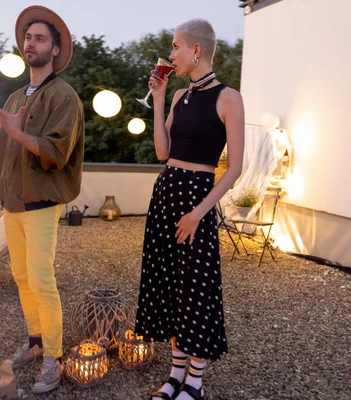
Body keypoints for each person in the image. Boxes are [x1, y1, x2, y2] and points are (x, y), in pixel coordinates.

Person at [0, 5, 84, 394]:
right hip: (12, 204)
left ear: (54, 49)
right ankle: (35, 343)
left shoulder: (64, 97)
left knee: (42, 280)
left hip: (42, 205)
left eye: (40, 39)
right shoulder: (16, 96)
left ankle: (55, 357)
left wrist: (17, 135)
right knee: (21, 278)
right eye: (27, 38)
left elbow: (54, 153)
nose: (31, 43)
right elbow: (10, 151)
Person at [135, 18, 245, 400]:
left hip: (197, 197)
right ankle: (174, 374)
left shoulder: (228, 97)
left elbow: (235, 169)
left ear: (196, 50)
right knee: (170, 284)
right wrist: (161, 98)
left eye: (175, 46)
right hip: (166, 192)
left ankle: (194, 382)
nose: (171, 54)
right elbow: (163, 152)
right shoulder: (180, 96)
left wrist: (200, 212)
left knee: (197, 287)